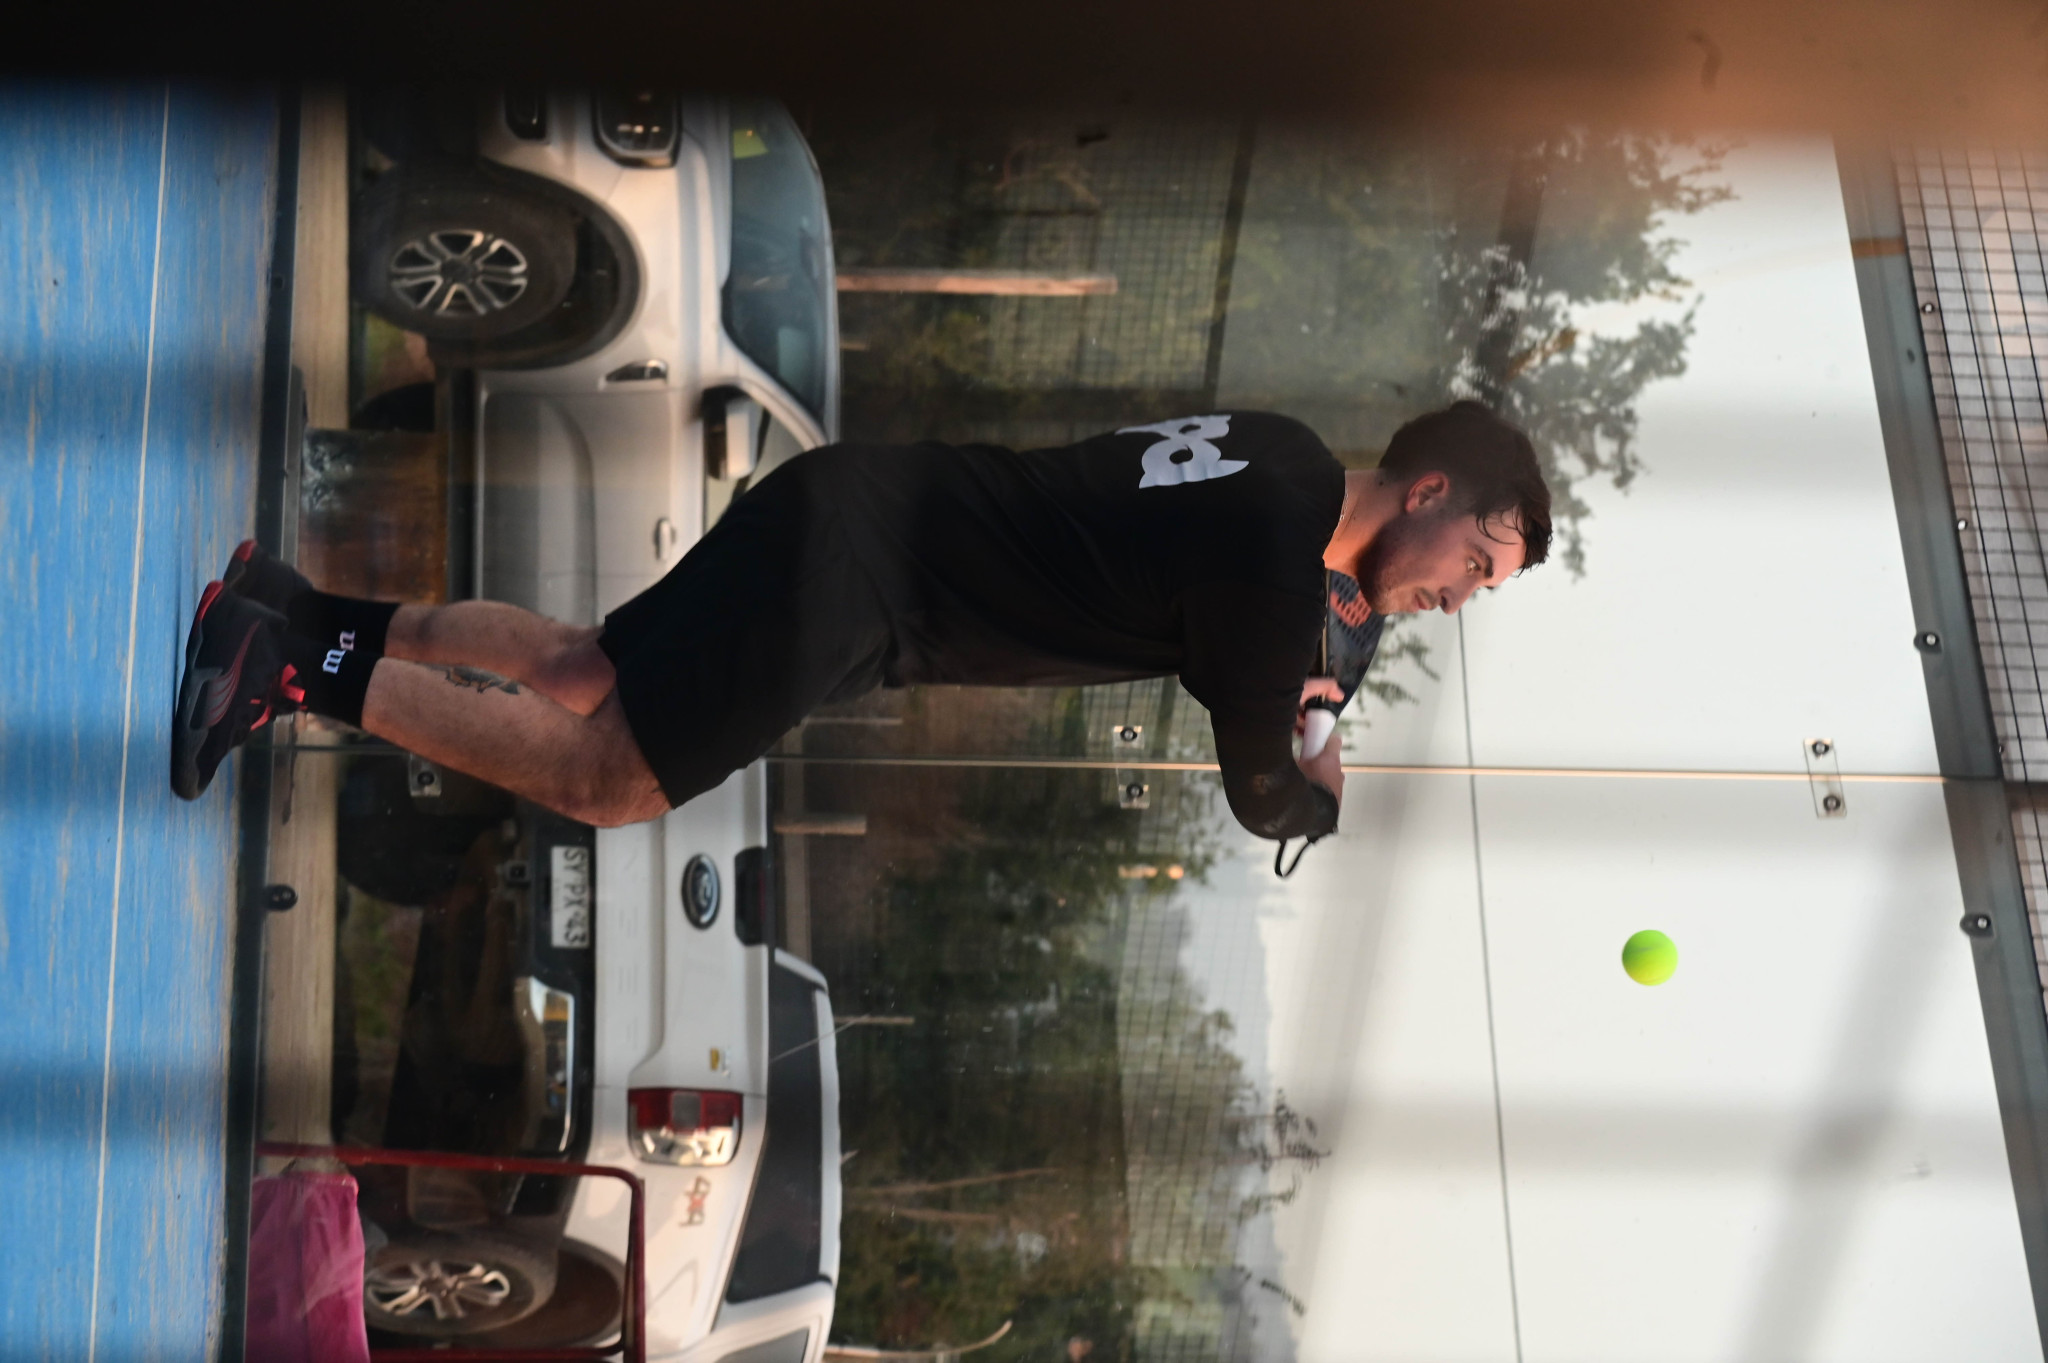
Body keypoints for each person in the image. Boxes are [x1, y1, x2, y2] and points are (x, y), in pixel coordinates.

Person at [172, 401, 1551, 846]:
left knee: (584, 669)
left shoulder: (1284, 452)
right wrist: (1321, 783)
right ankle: (286, 665)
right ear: (1431, 491)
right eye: (1477, 564)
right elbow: (1261, 789)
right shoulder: (1270, 569)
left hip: (860, 499)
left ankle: (302, 606)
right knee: (609, 782)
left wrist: (1310, 666)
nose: (1460, 597)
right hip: (867, 591)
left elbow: (1240, 627)